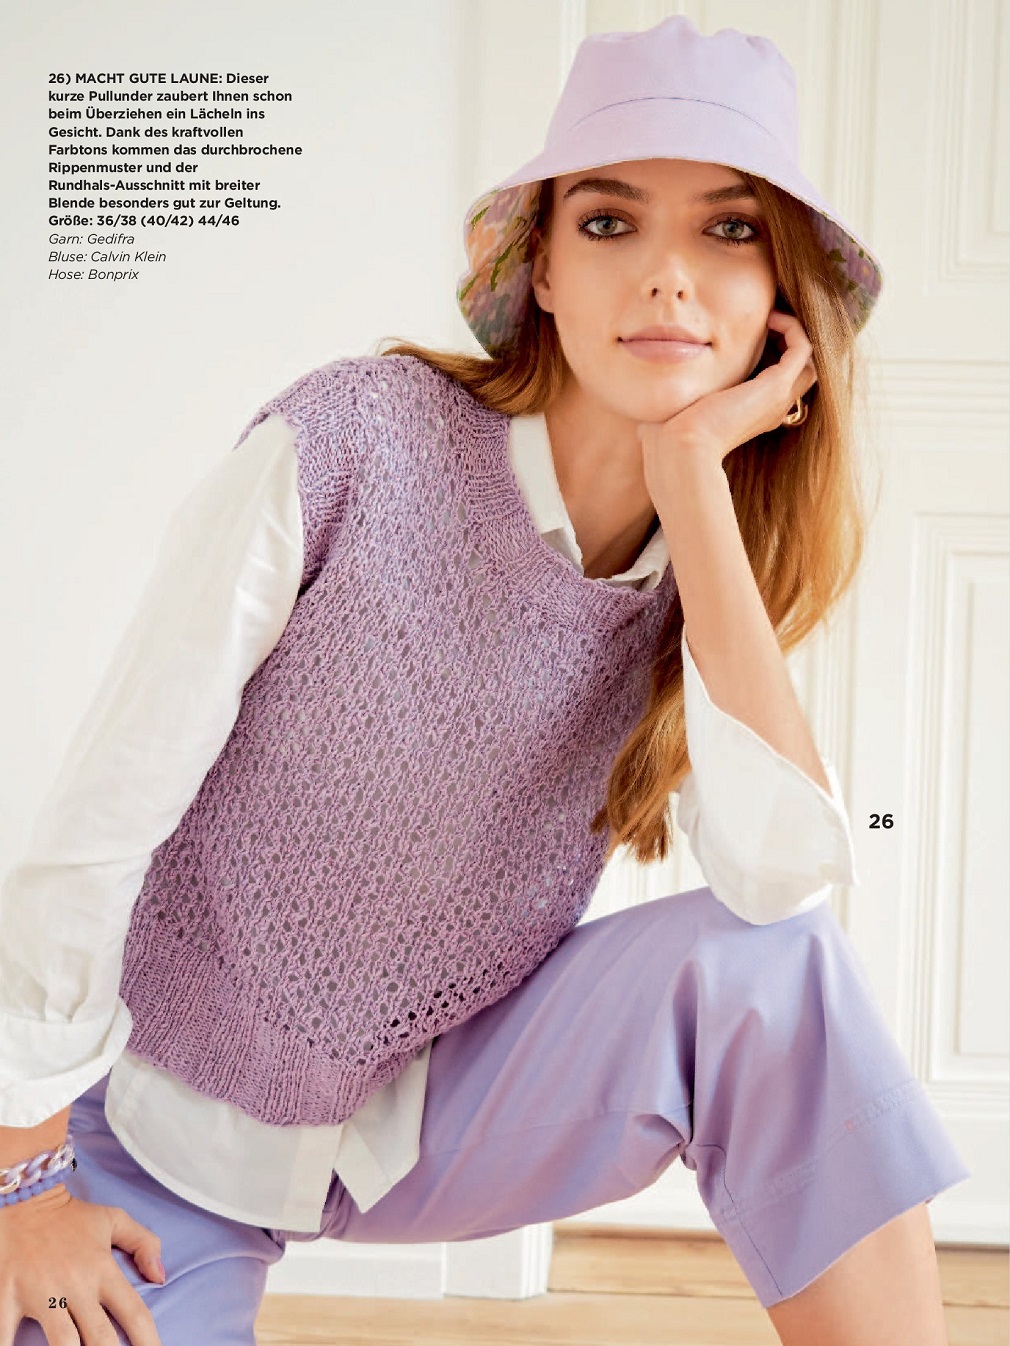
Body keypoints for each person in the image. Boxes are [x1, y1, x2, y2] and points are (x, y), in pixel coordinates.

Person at [0, 15, 969, 1346]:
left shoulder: (699, 568)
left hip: (425, 1114)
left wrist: (692, 481)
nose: (668, 277)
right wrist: (23, 1177)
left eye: (730, 231)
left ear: (779, 305)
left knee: (772, 975)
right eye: (611, 222)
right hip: (152, 1132)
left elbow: (783, 886)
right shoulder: (350, 445)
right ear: (544, 270)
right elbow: (99, 816)